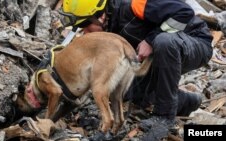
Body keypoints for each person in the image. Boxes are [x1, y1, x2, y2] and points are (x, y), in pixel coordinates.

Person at [60, 0, 213, 135]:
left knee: (164, 42)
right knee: (129, 92)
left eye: (85, 25)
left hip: (194, 41)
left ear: (100, 16)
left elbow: (184, 12)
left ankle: (164, 118)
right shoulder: (109, 25)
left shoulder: (135, 5)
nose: (85, 32)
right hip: (159, 57)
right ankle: (187, 101)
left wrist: (150, 40)